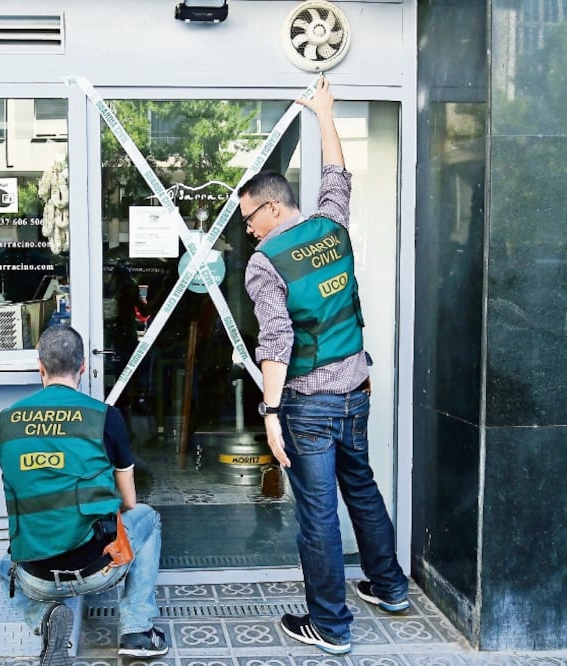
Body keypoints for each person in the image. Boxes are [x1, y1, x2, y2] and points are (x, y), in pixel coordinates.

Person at [239, 76, 409, 656]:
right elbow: (338, 177)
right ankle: (390, 587)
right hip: (356, 388)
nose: (247, 228)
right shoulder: (331, 229)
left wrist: (268, 410)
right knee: (361, 487)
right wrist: (325, 113)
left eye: (248, 217)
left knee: (318, 512)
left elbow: (276, 340)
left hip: (309, 402)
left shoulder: (265, 262)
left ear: (270, 205)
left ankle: (330, 626)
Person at [0, 324, 168, 664]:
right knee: (148, 517)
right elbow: (129, 502)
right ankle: (137, 629)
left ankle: (43, 620)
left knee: (5, 566)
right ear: (84, 368)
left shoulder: (6, 420)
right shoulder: (105, 417)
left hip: (36, 576)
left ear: (40, 367)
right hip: (98, 566)